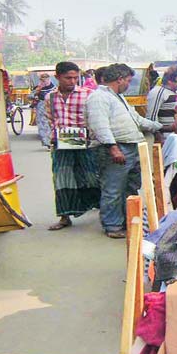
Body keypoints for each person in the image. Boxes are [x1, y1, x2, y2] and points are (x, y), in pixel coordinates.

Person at [87, 64, 163, 238]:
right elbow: (100, 125)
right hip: (116, 148)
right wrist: (113, 148)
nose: (129, 84)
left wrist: (159, 127)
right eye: (128, 81)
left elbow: (137, 120)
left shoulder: (118, 97)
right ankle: (112, 226)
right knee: (113, 189)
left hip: (130, 147)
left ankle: (127, 220)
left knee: (129, 187)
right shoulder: (99, 97)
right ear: (119, 79)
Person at [45, 62, 101, 231]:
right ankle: (64, 216)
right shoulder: (50, 97)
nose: (72, 81)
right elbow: (51, 120)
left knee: (92, 177)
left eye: (75, 78)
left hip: (85, 142)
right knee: (62, 179)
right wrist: (54, 138)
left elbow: (95, 119)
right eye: (68, 78)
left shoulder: (88, 94)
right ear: (57, 77)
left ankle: (102, 211)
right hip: (61, 143)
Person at [146, 66, 177, 136]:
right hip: (166, 136)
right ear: (170, 81)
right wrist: (159, 136)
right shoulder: (158, 92)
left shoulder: (174, 93)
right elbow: (151, 119)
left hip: (175, 134)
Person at [31, 73, 57, 149]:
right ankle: (47, 143)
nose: (44, 82)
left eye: (45, 80)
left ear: (49, 79)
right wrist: (36, 93)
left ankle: (53, 141)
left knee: (52, 125)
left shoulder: (55, 88)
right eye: (42, 80)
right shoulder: (38, 88)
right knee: (42, 125)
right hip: (41, 107)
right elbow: (30, 96)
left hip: (53, 107)